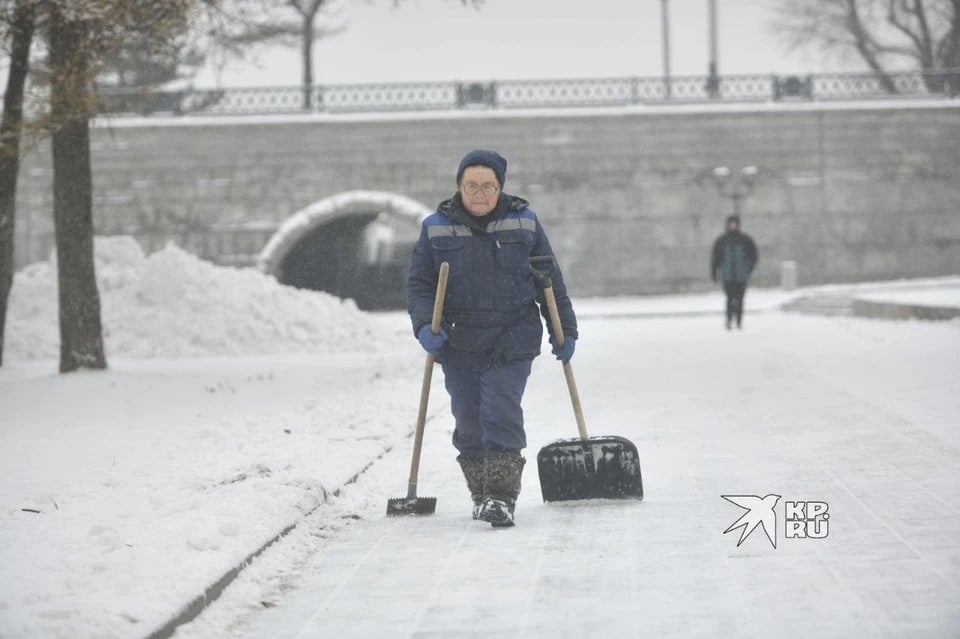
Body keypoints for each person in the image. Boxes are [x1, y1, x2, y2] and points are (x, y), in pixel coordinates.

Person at [406, 149, 578, 528]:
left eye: (488, 186)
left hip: (512, 334)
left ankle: (501, 497)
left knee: (500, 409)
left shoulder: (525, 224)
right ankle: (482, 492)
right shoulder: (435, 227)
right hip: (458, 337)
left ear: (500, 188)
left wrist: (564, 330)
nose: (479, 194)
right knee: (468, 421)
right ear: (459, 187)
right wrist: (423, 326)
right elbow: (419, 285)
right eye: (471, 186)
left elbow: (550, 282)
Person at [710, 214, 758, 330]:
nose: (732, 226)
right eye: (731, 223)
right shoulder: (722, 240)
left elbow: (753, 255)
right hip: (728, 275)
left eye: (734, 223)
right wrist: (714, 272)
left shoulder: (745, 240)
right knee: (730, 298)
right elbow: (715, 258)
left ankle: (739, 321)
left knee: (740, 298)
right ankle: (729, 320)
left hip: (741, 275)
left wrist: (748, 268)